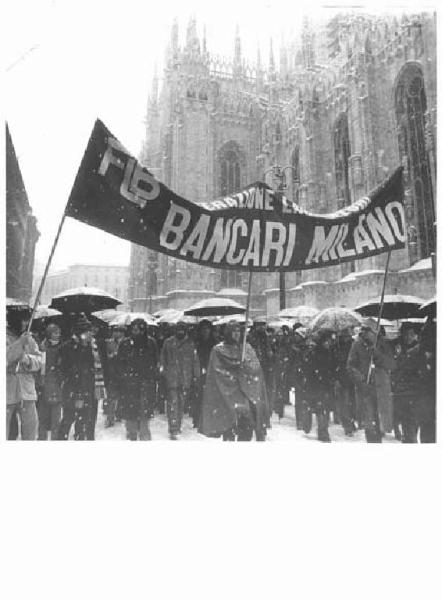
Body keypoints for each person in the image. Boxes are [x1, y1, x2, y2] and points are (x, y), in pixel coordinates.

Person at [199, 321, 269, 441]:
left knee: (247, 426)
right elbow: (217, 372)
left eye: (238, 331)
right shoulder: (218, 350)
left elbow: (256, 367)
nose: (236, 334)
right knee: (229, 427)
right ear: (228, 333)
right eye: (233, 331)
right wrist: (235, 370)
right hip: (228, 395)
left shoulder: (247, 348)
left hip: (246, 393)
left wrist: (245, 367)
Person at [346, 318, 395, 443]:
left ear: (375, 332)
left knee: (380, 422)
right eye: (364, 330)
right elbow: (350, 366)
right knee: (369, 423)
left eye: (368, 330)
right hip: (365, 389)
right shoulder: (357, 344)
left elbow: (392, 364)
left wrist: (377, 354)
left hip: (381, 389)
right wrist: (360, 378)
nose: (365, 333)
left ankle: (377, 439)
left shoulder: (383, 344)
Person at [116, 319, 158, 441]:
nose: (136, 332)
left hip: (146, 383)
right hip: (129, 384)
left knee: (144, 414)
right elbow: (120, 363)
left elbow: (155, 361)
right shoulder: (125, 343)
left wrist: (150, 377)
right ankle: (132, 435)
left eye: (138, 329)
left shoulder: (150, 343)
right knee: (131, 414)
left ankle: (144, 437)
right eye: (133, 329)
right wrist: (125, 377)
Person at [57, 314, 96, 441]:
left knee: (83, 423)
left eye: (90, 332)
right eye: (87, 332)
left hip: (86, 390)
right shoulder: (67, 347)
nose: (90, 334)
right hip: (71, 389)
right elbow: (62, 369)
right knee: (68, 420)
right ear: (80, 333)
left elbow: (93, 369)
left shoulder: (92, 348)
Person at [160, 321, 200, 440]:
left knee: (181, 404)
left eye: (182, 330)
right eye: (178, 330)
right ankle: (173, 428)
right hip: (172, 378)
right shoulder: (168, 343)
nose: (180, 332)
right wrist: (164, 373)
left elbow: (195, 361)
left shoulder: (190, 344)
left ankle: (177, 425)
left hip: (185, 379)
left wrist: (196, 376)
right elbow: (163, 359)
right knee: (173, 403)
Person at [6, 310, 42, 440]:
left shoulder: (29, 339)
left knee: (30, 429)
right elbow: (6, 357)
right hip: (7, 390)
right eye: (22, 320)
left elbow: (39, 361)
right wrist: (19, 343)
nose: (25, 323)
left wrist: (27, 359)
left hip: (26, 390)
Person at [303, 329, 337, 442]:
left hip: (326, 385)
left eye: (330, 341)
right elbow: (309, 370)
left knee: (324, 410)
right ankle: (323, 432)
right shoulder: (315, 353)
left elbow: (332, 368)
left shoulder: (330, 352)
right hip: (317, 386)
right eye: (327, 341)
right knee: (321, 409)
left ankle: (322, 430)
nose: (329, 343)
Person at [37, 323, 63, 440]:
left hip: (57, 386)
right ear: (49, 334)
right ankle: (42, 439)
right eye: (55, 332)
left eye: (58, 332)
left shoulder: (62, 347)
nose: (58, 335)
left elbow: (63, 366)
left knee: (56, 419)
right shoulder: (42, 346)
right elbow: (40, 367)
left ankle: (55, 439)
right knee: (42, 417)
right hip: (44, 385)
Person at [334, 328, 357, 436]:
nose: (345, 338)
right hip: (343, 378)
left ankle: (350, 422)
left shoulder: (353, 346)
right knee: (344, 403)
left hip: (352, 378)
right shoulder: (337, 346)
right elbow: (336, 362)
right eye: (344, 336)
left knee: (351, 403)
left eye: (347, 336)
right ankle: (347, 424)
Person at [193, 319, 216, 428]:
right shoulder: (197, 342)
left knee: (210, 396)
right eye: (203, 329)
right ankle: (197, 418)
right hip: (199, 370)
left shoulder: (214, 342)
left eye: (207, 329)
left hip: (212, 370)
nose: (205, 331)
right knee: (199, 395)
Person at [103, 325, 125, 427]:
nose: (114, 333)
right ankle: (110, 418)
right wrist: (112, 355)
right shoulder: (109, 343)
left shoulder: (127, 342)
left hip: (123, 373)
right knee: (111, 396)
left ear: (122, 332)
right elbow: (106, 356)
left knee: (122, 395)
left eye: (117, 331)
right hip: (112, 373)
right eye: (114, 331)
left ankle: (119, 414)